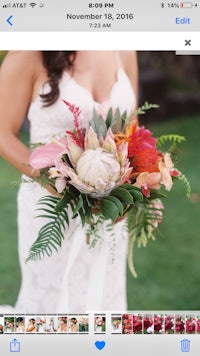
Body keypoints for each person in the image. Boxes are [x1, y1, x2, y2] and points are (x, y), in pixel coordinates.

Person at [0, 50, 138, 313]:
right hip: (51, 208)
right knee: (50, 306)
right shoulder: (26, 55)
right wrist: (48, 177)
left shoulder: (124, 48)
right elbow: (3, 133)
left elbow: (132, 126)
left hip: (110, 211)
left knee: (105, 301)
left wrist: (135, 187)